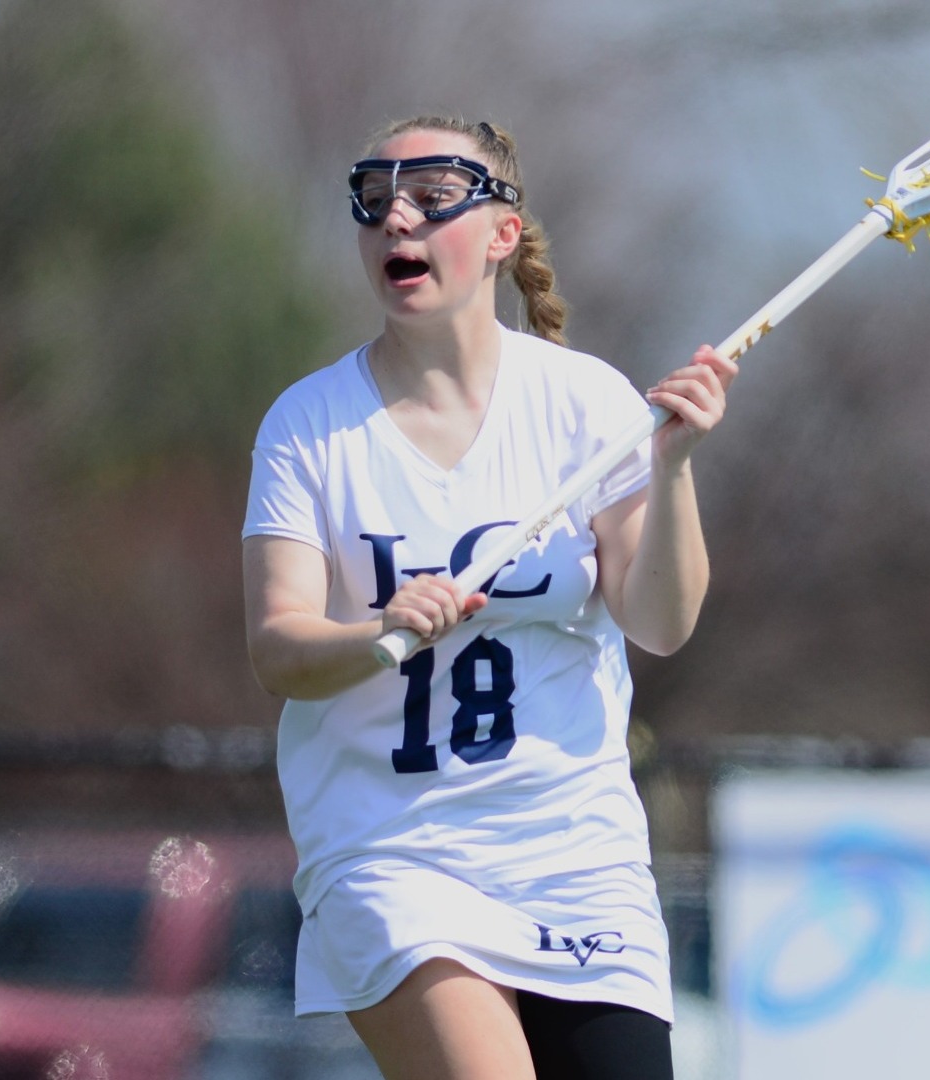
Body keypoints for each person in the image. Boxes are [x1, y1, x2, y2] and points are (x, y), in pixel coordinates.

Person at [241, 115, 736, 1080]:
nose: (396, 219)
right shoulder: (309, 426)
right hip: (393, 847)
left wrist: (672, 471)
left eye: (430, 197)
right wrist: (378, 631)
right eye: (375, 199)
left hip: (577, 855)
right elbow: (278, 650)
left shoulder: (589, 405)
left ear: (503, 233)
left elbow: (661, 622)